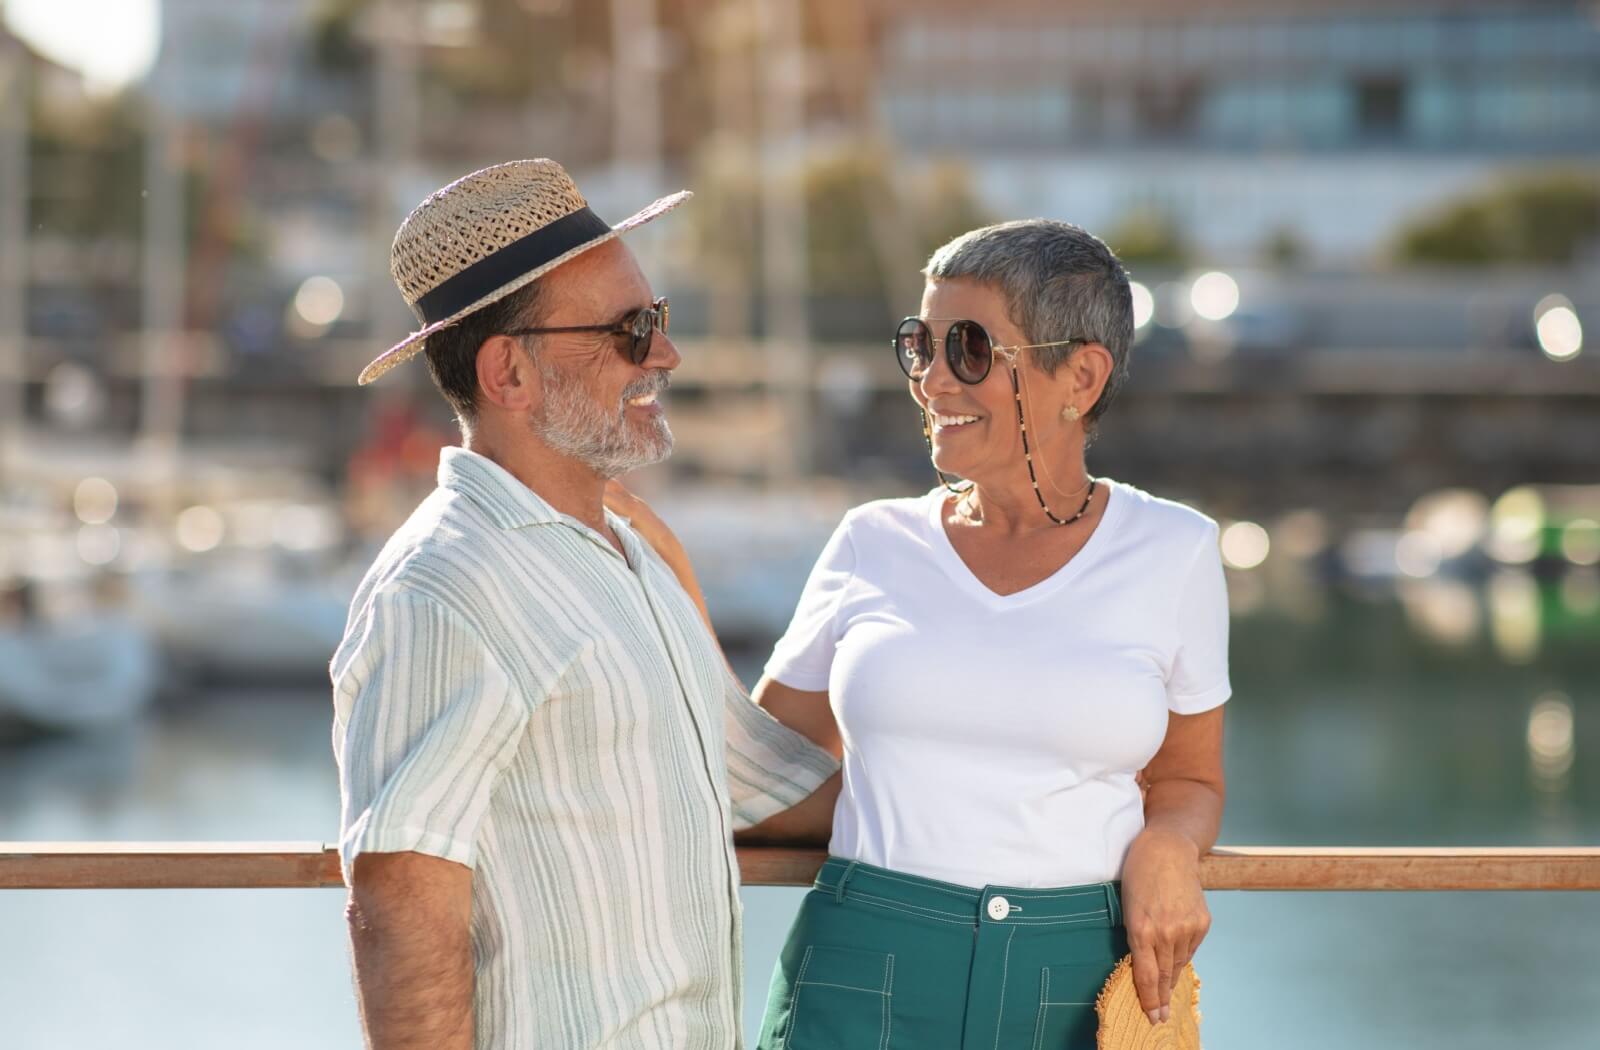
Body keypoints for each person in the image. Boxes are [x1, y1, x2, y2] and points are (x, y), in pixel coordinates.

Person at [634, 218, 1229, 1049]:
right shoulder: (870, 542)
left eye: (971, 350)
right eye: (921, 346)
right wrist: (669, 579)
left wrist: (1168, 843)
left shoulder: (1176, 551)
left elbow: (1191, 779)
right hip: (859, 970)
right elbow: (760, 770)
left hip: (1077, 985)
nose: (932, 380)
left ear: (1081, 376)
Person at [330, 159, 840, 1050]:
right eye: (631, 330)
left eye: (659, 319)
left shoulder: (627, 553)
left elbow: (758, 787)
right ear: (509, 374)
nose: (666, 355)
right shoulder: (447, 587)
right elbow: (398, 904)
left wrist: (1108, 804)